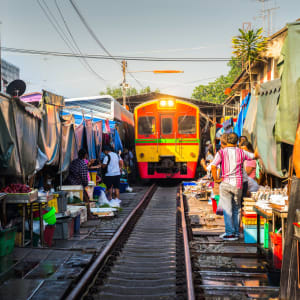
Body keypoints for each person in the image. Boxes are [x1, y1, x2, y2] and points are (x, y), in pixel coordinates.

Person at [211, 132, 258, 241]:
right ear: (237, 142)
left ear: (227, 140)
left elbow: (213, 166)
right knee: (236, 208)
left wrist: (216, 179)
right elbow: (254, 156)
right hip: (238, 184)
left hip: (226, 183)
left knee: (228, 210)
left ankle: (230, 233)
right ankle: (236, 233)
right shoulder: (242, 152)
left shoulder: (221, 153)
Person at [67, 149, 96, 219]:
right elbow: (84, 177)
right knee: (86, 199)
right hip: (77, 184)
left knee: (83, 199)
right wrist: (85, 184)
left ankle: (88, 214)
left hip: (70, 182)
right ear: (85, 155)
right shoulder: (83, 164)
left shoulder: (74, 162)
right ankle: (89, 215)